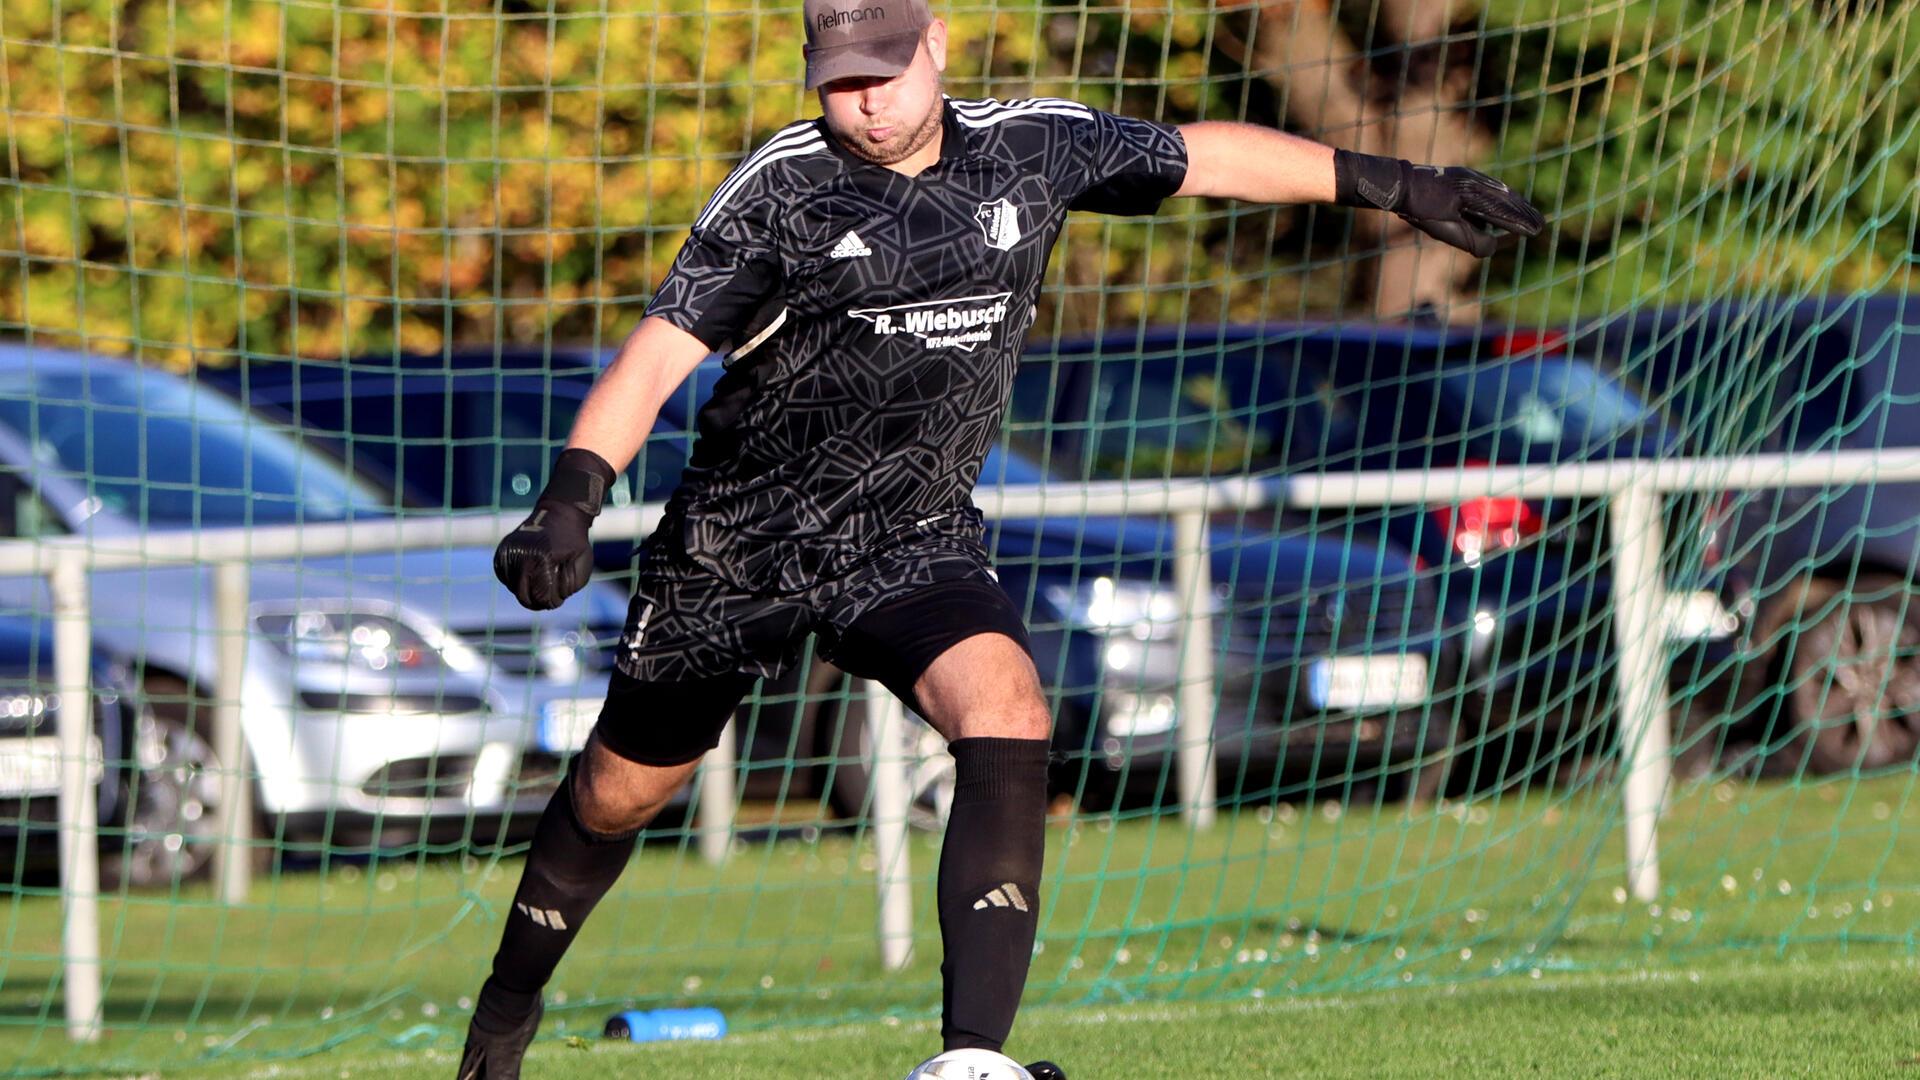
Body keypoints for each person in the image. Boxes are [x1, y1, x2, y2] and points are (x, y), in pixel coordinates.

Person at [460, 1, 1544, 1075]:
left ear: (935, 47)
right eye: (840, 80)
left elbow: (1202, 154)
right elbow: (655, 357)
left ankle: (971, 1061)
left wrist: (1390, 182)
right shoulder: (782, 189)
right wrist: (570, 499)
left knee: (1009, 708)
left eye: (885, 69)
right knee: (619, 793)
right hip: (741, 547)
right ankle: (504, 1013)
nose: (866, 100)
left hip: (911, 535)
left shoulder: (1034, 147)